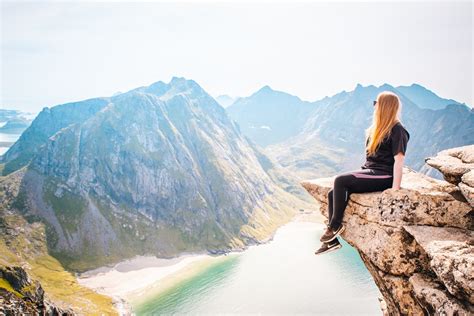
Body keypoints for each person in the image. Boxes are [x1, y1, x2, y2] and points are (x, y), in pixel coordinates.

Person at [315, 91, 410, 255]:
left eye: (377, 102)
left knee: (340, 180)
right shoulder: (376, 130)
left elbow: (399, 161)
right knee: (333, 193)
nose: (374, 106)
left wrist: (394, 190)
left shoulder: (398, 130)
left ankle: (335, 226)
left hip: (385, 175)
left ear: (384, 107)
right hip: (371, 171)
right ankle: (332, 242)